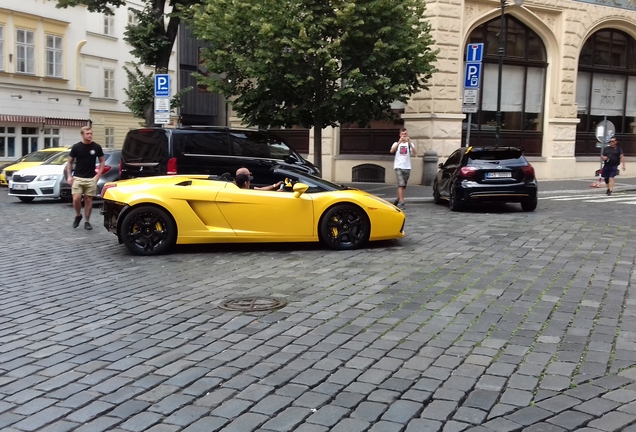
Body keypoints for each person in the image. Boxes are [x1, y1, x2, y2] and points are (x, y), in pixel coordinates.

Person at [66, 126, 105, 230]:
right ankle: (78, 215)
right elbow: (69, 162)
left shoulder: (96, 147)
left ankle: (87, 221)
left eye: (91, 133)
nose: (90, 135)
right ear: (82, 135)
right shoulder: (76, 147)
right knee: (76, 198)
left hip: (91, 178)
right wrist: (69, 176)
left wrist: (98, 175)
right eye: (87, 134)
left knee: (88, 200)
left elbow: (102, 161)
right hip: (78, 177)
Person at [390, 128, 416, 208]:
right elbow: (391, 151)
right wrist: (399, 142)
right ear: (400, 135)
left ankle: (397, 199)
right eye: (402, 134)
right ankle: (402, 202)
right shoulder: (396, 143)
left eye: (405, 134)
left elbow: (415, 152)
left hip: (407, 167)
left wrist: (410, 143)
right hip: (398, 166)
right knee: (401, 184)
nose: (404, 136)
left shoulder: (409, 144)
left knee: (403, 185)